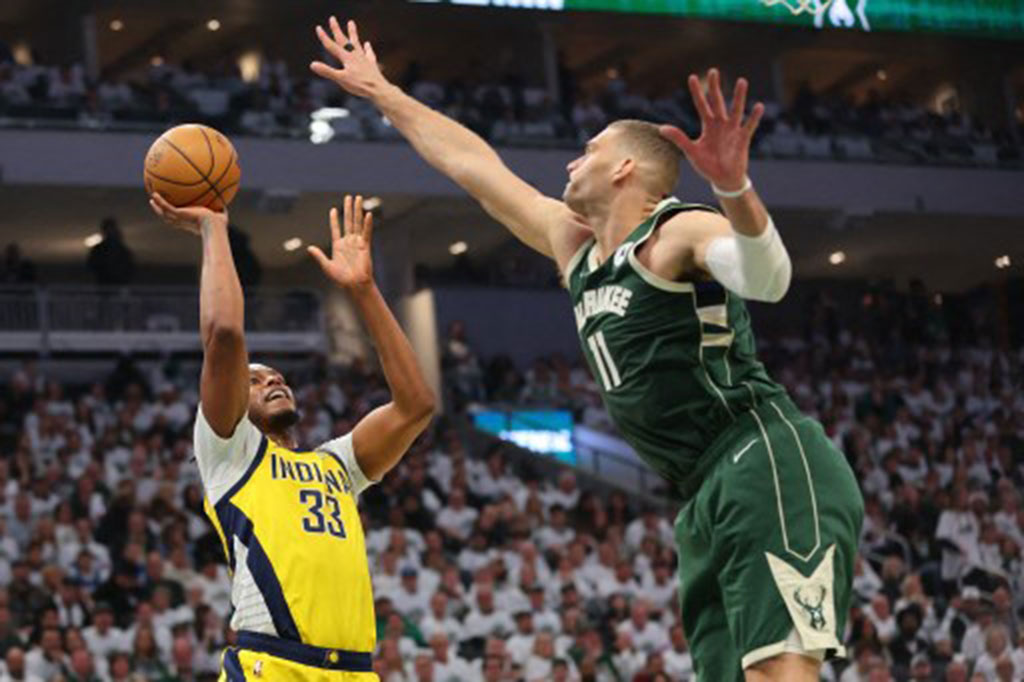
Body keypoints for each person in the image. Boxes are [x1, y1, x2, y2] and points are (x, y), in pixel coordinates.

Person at [311, 18, 863, 682]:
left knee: (780, 673)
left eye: (589, 148)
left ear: (626, 167)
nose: (573, 160)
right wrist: (382, 92)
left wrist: (735, 191)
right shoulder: (577, 247)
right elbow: (474, 167)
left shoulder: (679, 230)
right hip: (701, 490)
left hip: (762, 455)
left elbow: (768, 280)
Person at [148, 192, 435, 680]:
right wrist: (214, 228)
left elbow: (416, 405)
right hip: (273, 666)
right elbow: (223, 333)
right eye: (255, 380)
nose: (272, 381)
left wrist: (364, 291)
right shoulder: (230, 453)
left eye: (277, 376)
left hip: (356, 671)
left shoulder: (335, 466)